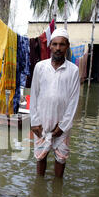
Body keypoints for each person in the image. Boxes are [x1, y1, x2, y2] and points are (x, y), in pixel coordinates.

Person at [30, 28, 80, 178]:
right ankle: (39, 189)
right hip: (42, 121)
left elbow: (73, 101)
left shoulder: (73, 70)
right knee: (40, 157)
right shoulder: (40, 67)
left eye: (62, 44)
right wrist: (34, 121)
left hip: (62, 123)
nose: (58, 48)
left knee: (61, 158)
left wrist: (63, 125)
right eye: (55, 44)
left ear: (67, 46)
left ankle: (57, 192)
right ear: (50, 46)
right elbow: (34, 95)